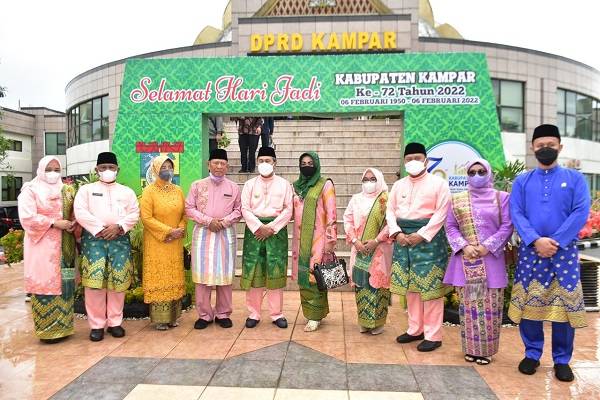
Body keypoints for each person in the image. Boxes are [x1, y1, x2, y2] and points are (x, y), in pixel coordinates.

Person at [508, 124, 590, 382]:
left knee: (563, 308)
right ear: (533, 148)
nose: (545, 149)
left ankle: (562, 360)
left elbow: (581, 211)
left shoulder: (575, 179)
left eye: (550, 145)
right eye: (540, 145)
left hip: (563, 253)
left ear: (560, 147)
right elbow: (516, 212)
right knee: (530, 305)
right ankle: (532, 354)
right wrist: (535, 240)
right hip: (531, 251)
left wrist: (555, 241)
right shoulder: (522, 181)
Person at [444, 159, 513, 365]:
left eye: (481, 171)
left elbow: (507, 226)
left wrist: (487, 246)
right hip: (467, 261)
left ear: (489, 173)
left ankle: (485, 351)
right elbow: (450, 226)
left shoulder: (501, 198)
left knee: (489, 307)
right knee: (470, 308)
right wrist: (465, 246)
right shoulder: (457, 199)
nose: (476, 175)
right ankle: (471, 349)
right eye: (472, 172)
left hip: (491, 261)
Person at [387, 142, 451, 352]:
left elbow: (442, 213)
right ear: (404, 161)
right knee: (411, 288)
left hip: (429, 241)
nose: (413, 162)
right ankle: (415, 329)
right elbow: (390, 211)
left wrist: (422, 235)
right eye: (409, 159)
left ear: (426, 160)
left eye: (417, 158)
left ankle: (433, 335)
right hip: (403, 239)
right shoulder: (399, 185)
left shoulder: (439, 184)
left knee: (430, 288)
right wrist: (396, 232)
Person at [74, 152, 140, 342]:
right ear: (97, 170)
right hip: (94, 240)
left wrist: (119, 227)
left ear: (118, 169)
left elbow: (134, 213)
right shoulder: (86, 190)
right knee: (94, 284)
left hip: (119, 239)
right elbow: (80, 212)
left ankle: (115, 323)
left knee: (118, 282)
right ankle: (96, 325)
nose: (107, 171)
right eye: (103, 168)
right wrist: (100, 229)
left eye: (111, 167)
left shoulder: (126, 192)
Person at [18, 156, 77, 343]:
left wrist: (73, 224)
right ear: (41, 169)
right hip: (42, 246)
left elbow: (74, 213)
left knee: (64, 284)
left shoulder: (67, 190)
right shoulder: (30, 189)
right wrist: (53, 223)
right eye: (49, 169)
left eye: (56, 169)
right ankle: (46, 330)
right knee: (45, 283)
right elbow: (26, 217)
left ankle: (64, 328)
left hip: (65, 245)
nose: (53, 173)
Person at [185, 149, 241, 329]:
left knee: (224, 275)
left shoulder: (233, 187)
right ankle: (204, 315)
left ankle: (223, 313)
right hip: (203, 234)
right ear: (208, 164)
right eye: (215, 162)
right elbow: (189, 208)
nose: (219, 166)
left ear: (227, 166)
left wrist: (224, 222)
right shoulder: (197, 185)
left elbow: (239, 210)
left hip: (225, 234)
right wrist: (208, 221)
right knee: (202, 275)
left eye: (222, 163)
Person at [241, 146, 293, 329]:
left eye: (268, 161)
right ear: (257, 162)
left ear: (274, 163)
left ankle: (276, 314)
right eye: (261, 160)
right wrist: (258, 227)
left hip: (276, 233)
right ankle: (254, 313)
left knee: (275, 271)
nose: (264, 163)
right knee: (255, 271)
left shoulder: (284, 184)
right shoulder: (249, 184)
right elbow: (245, 208)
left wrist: (272, 228)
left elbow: (289, 209)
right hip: (254, 232)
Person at [343, 168, 392, 335]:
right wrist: (355, 241)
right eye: (366, 179)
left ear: (379, 180)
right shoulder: (356, 199)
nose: (369, 182)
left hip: (379, 250)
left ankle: (378, 322)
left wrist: (376, 240)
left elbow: (391, 223)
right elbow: (347, 220)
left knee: (378, 284)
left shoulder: (386, 199)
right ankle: (364, 321)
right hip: (359, 249)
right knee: (362, 283)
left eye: (372, 179)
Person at [291, 152, 337, 332]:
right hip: (300, 239)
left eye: (310, 163)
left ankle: (315, 316)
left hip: (318, 239)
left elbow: (331, 214)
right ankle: (310, 313)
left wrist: (330, 240)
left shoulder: (325, 184)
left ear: (316, 164)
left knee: (315, 276)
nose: (307, 166)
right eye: (303, 163)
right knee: (304, 278)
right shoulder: (296, 187)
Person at [140, 156, 186, 330]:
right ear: (155, 170)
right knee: (160, 276)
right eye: (163, 167)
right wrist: (167, 231)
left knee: (174, 275)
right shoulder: (149, 191)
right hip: (157, 242)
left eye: (169, 167)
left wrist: (179, 229)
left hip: (174, 243)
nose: (167, 170)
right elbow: (146, 218)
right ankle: (160, 319)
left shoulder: (178, 190)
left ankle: (173, 316)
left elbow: (184, 214)